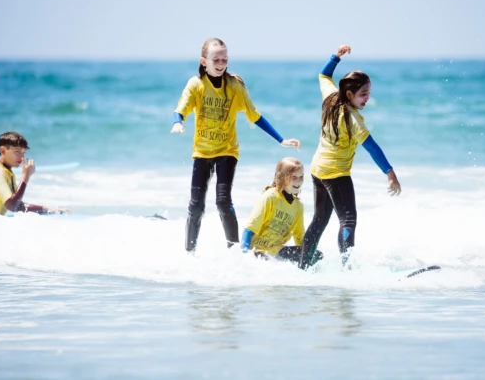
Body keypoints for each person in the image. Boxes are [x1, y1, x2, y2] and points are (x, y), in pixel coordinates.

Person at [171, 38, 300, 252]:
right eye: (216, 59)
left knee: (223, 202)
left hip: (227, 152)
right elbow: (181, 108)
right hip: (202, 153)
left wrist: (281, 140)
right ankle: (189, 254)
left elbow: (254, 115)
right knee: (196, 207)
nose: (221, 63)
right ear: (204, 61)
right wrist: (177, 122)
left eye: (224, 59)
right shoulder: (196, 84)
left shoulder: (235, 86)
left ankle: (236, 252)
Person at [297, 45, 401, 270]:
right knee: (348, 221)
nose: (367, 99)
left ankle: (303, 266)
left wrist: (335, 57)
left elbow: (324, 75)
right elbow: (372, 148)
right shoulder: (353, 120)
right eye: (363, 94)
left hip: (317, 170)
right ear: (349, 95)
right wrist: (390, 174)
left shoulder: (331, 98)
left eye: (369, 93)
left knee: (320, 219)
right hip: (336, 174)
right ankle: (347, 270)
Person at [240, 157, 323, 265]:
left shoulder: (298, 206)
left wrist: (307, 259)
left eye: (301, 177)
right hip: (257, 251)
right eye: (294, 177)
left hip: (277, 251)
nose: (299, 181)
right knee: (267, 261)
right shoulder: (270, 197)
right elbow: (249, 230)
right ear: (282, 177)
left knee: (316, 255)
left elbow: (300, 238)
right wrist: (243, 257)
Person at [0, 131, 70, 215]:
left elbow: (18, 205)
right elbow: (12, 206)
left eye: (23, 153)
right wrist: (25, 176)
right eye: (17, 152)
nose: (21, 157)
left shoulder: (7, 172)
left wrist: (49, 209)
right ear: (3, 150)